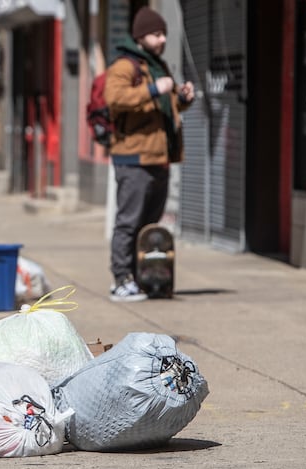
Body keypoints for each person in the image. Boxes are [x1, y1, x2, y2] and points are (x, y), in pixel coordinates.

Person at [104, 6, 195, 302]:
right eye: (156, 34)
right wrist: (154, 88)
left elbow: (164, 109)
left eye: (164, 34)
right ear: (141, 36)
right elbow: (115, 99)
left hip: (159, 157)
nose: (162, 39)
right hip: (134, 157)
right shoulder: (125, 66)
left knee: (149, 227)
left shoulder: (157, 65)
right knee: (129, 222)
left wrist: (181, 99)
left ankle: (142, 277)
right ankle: (121, 279)